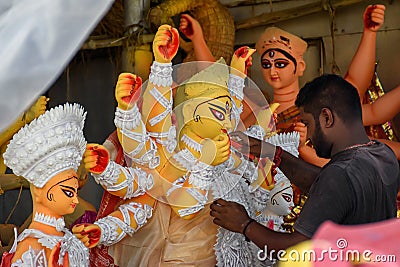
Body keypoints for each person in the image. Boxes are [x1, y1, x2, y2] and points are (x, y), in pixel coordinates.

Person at [210, 74, 399, 257]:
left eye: (307, 123)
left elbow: (295, 250)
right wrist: (274, 153)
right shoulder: (382, 154)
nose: (307, 136)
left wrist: (244, 224)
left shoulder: (339, 175)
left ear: (326, 117)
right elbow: (329, 186)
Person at [0, 103, 90, 267]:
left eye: (76, 191)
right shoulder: (30, 245)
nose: (76, 200)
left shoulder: (71, 240)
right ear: (40, 190)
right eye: (68, 192)